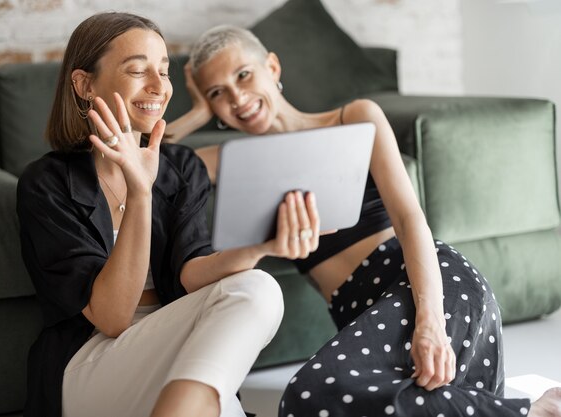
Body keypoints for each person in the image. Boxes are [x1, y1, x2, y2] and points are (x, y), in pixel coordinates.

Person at [166, 25, 561, 417]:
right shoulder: (230, 160)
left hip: (428, 285)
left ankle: (530, 411)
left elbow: (410, 220)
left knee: (308, 396)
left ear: (272, 66)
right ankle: (522, 409)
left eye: (243, 75)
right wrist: (195, 112)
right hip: (360, 312)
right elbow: (155, 164)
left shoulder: (354, 118)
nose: (237, 97)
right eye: (218, 93)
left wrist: (430, 323)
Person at [17, 13, 323, 417]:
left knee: (258, 284)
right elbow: (111, 318)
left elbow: (191, 270)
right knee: (252, 302)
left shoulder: (181, 167)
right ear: (85, 83)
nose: (159, 87)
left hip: (175, 351)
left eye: (163, 71)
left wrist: (260, 246)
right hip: (91, 363)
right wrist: (140, 191)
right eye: (139, 70)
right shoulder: (47, 181)